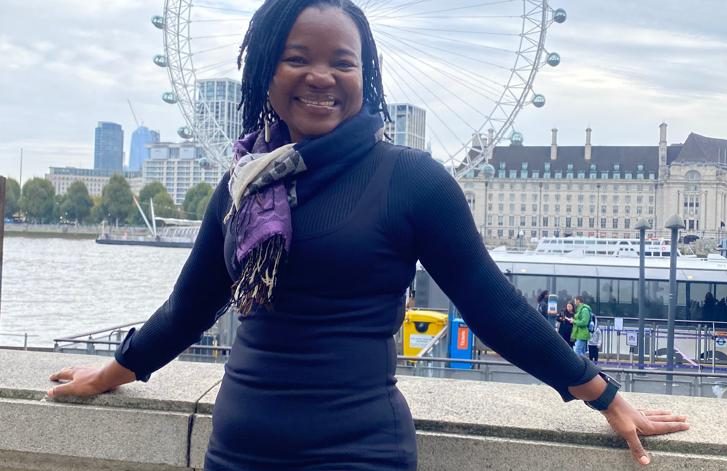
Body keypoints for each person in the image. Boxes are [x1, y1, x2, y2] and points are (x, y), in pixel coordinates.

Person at [45, 1, 687, 469]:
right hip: (239, 452)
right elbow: (190, 307)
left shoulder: (412, 181)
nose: (320, 75)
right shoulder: (243, 184)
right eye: (297, 58)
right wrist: (109, 375)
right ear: (266, 73)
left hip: (359, 453)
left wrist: (602, 394)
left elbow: (492, 307)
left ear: (365, 78)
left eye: (340, 62)